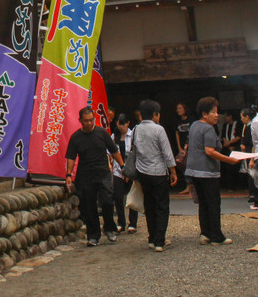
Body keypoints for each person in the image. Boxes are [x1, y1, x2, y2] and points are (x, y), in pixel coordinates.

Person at [186, 96, 243, 245]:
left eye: (217, 112)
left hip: (193, 171)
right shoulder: (208, 128)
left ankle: (205, 233)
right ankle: (217, 236)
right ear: (205, 114)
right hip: (207, 172)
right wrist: (229, 160)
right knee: (213, 203)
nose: (217, 115)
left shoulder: (193, 126)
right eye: (213, 112)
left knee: (203, 203)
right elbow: (210, 151)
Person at [65, 106, 124, 246]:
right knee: (89, 205)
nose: (89, 123)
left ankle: (109, 228)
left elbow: (114, 150)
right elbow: (71, 157)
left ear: (94, 119)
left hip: (103, 173)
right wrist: (68, 174)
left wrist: (122, 165)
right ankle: (93, 235)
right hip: (86, 175)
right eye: (86, 121)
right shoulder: (75, 137)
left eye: (91, 120)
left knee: (108, 201)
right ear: (80, 121)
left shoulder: (102, 133)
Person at [133, 99, 177, 252]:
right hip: (158, 171)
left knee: (149, 205)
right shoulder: (159, 129)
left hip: (142, 171)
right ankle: (160, 240)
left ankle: (152, 238)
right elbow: (167, 152)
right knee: (162, 206)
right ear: (155, 115)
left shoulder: (136, 129)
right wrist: (173, 170)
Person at [109, 113, 138, 234]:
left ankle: (133, 223)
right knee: (118, 196)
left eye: (123, 124)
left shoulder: (133, 135)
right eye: (118, 124)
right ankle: (121, 222)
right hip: (117, 171)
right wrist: (109, 164)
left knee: (132, 196)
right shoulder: (113, 136)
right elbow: (109, 152)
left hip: (130, 170)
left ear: (128, 123)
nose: (121, 127)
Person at [239, 107, 258, 209]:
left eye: (242, 117)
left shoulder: (252, 126)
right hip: (248, 152)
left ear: (247, 117)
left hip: (251, 152)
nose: (241, 119)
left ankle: (255, 196)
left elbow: (253, 143)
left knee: (254, 175)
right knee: (251, 174)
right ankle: (253, 194)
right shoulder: (246, 126)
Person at [218, 111, 241, 190]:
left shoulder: (237, 124)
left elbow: (239, 136)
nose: (225, 119)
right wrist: (228, 145)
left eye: (226, 117)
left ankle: (237, 186)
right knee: (228, 168)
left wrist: (230, 143)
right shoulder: (225, 125)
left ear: (230, 116)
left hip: (236, 148)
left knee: (236, 167)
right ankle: (229, 186)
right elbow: (223, 136)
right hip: (228, 148)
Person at [174, 102, 192, 195]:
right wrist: (179, 148)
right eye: (177, 108)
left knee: (190, 165)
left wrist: (187, 146)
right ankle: (187, 185)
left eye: (180, 108)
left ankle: (191, 186)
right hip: (181, 147)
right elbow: (176, 134)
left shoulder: (191, 120)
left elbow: (192, 134)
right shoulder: (178, 121)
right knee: (182, 165)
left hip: (190, 147)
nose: (178, 110)